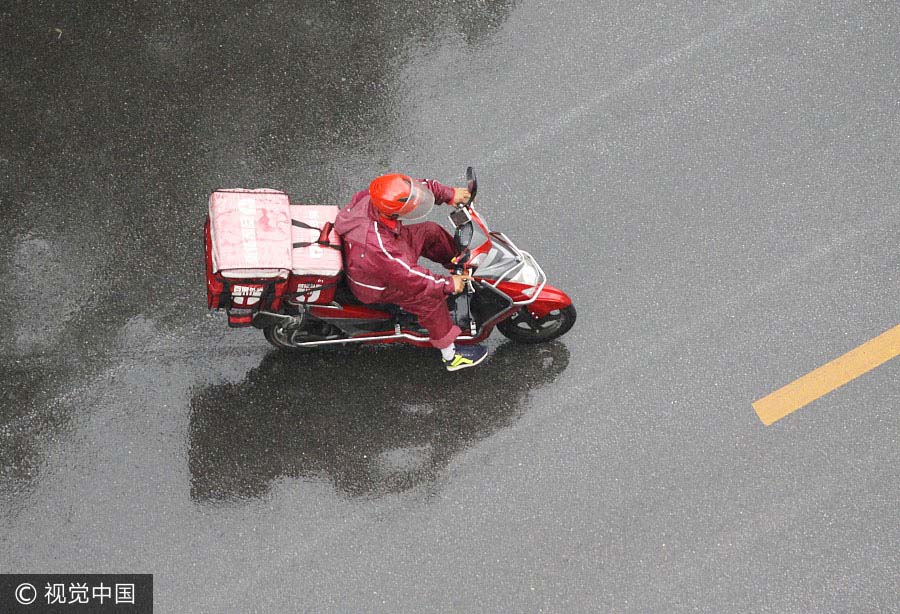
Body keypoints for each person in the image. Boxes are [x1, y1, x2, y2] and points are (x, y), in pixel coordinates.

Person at [334, 173, 489, 371]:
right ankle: (451, 355)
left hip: (385, 247)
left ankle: (459, 267)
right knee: (428, 298)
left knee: (430, 231)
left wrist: (449, 194)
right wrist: (448, 285)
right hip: (376, 282)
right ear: (391, 213)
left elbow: (415, 190)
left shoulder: (373, 199)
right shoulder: (378, 245)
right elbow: (410, 276)